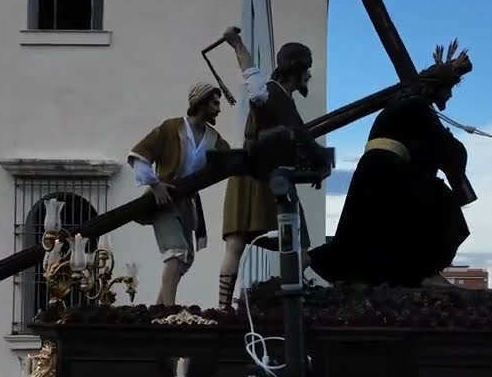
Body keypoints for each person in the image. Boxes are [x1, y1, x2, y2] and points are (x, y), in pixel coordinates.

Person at [309, 41, 473, 287]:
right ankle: (423, 271)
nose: (450, 95)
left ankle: (412, 273)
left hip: (376, 171)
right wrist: (454, 151)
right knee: (442, 206)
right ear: (437, 88)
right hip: (389, 172)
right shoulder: (418, 108)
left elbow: (424, 149)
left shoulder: (401, 104)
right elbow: (445, 149)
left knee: (367, 232)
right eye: (449, 88)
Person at [217, 26, 313, 310]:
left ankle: (274, 297)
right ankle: (227, 308)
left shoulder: (286, 102)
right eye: (307, 68)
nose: (310, 74)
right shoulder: (269, 93)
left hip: (268, 174)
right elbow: (253, 81)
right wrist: (238, 45)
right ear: (296, 69)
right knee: (239, 243)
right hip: (259, 175)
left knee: (297, 247)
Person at [127, 83, 233, 305]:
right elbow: (140, 155)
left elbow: (231, 160)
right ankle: (168, 311)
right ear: (200, 103)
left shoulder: (214, 139)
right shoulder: (171, 128)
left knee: (186, 258)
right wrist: (155, 185)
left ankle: (158, 307)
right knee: (176, 251)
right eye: (214, 103)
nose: (218, 109)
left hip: (187, 202)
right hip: (163, 201)